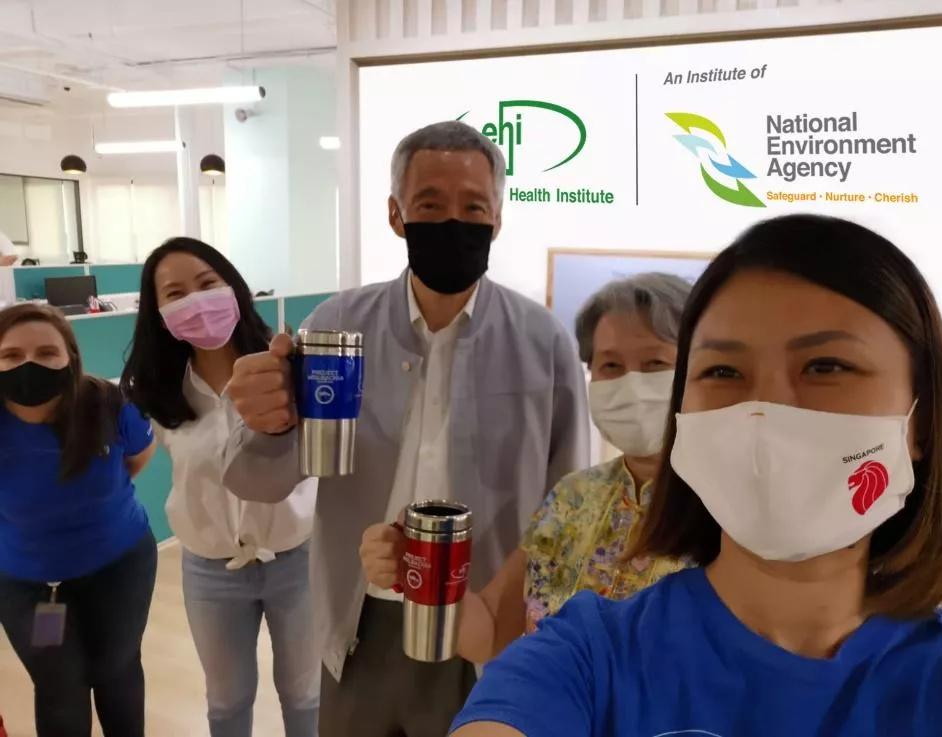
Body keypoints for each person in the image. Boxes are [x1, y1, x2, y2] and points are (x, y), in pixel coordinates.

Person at [450, 214, 942, 737]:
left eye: (826, 366)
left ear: (923, 419)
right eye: (723, 372)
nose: (764, 408)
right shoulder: (587, 655)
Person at [222, 120, 590, 736]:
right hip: (358, 618)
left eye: (473, 206)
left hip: (482, 618)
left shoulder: (542, 339)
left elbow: (568, 501)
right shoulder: (336, 325)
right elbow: (260, 482)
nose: (453, 221)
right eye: (429, 204)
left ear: (497, 218)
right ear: (396, 215)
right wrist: (268, 421)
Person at [360, 272, 692, 662]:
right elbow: (491, 633)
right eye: (611, 366)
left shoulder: (725, 512)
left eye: (655, 364)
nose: (631, 385)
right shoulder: (574, 498)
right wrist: (417, 565)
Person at [121, 238, 320, 737]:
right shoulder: (157, 391)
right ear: (159, 312)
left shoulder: (288, 368)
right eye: (175, 293)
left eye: (207, 284)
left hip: (295, 559)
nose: (195, 300)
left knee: (305, 695)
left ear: (233, 288)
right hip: (210, 570)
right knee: (227, 702)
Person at [0, 304, 158, 737]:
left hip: (118, 566)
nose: (28, 364)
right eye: (11, 355)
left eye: (47, 352)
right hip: (27, 584)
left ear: (70, 356)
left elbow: (139, 458)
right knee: (57, 686)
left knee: (117, 669)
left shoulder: (109, 404)